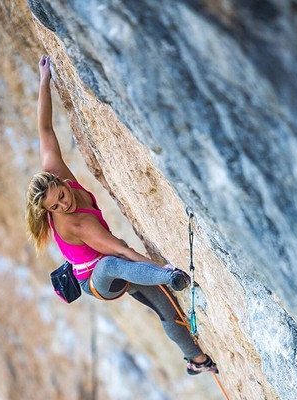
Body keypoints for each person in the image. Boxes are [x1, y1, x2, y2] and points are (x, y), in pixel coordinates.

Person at [26, 55, 218, 376]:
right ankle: (170, 278)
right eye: (54, 208)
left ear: (59, 179)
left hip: (117, 266)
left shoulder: (56, 172)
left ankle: (196, 361)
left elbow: (44, 128)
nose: (63, 206)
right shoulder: (77, 223)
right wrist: (163, 269)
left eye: (61, 197)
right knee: (114, 263)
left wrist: (44, 80)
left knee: (167, 310)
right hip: (97, 281)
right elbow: (119, 251)